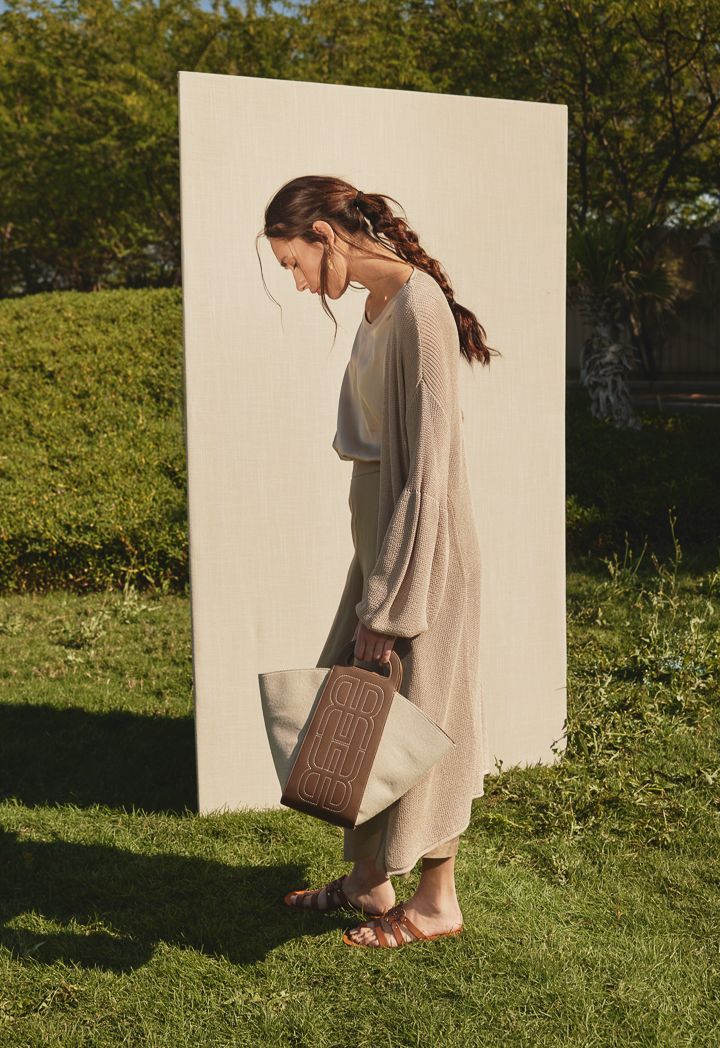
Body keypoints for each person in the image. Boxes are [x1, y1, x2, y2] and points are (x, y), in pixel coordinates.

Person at [259, 176, 498, 949]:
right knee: (359, 708)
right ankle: (368, 878)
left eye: (295, 264)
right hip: (383, 544)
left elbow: (428, 474)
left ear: (326, 237)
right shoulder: (377, 304)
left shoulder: (419, 309)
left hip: (423, 554)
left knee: (424, 718)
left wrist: (391, 605)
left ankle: (437, 902)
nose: (298, 283)